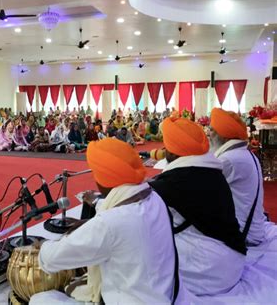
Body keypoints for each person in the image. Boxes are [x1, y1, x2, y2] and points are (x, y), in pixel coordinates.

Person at [31, 139, 178, 304]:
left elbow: (51, 259)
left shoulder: (109, 223)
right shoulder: (153, 197)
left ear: (104, 177)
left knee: (39, 299)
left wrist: (42, 246)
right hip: (163, 294)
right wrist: (89, 222)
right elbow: (122, 215)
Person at [148, 117, 246, 296]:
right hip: (233, 260)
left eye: (166, 146)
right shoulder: (210, 170)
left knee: (138, 244)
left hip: (212, 271)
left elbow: (137, 207)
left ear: (172, 152)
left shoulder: (176, 181)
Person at [209, 108, 266, 246]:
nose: (208, 134)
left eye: (211, 130)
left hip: (243, 233)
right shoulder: (243, 154)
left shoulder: (229, 159)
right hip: (252, 228)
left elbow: (202, 187)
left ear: (223, 135)